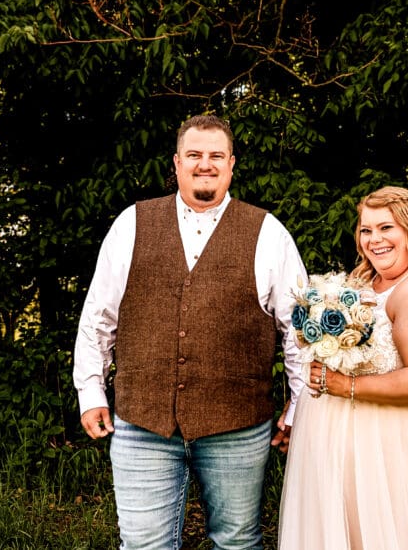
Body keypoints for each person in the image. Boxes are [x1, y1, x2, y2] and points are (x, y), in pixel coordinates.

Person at [73, 114, 307, 550]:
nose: (206, 163)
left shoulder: (268, 232)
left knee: (237, 543)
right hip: (142, 423)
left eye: (216, 155)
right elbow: (98, 316)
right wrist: (91, 392)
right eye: (195, 155)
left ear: (232, 164)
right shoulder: (132, 223)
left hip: (238, 425)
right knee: (143, 545)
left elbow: (299, 330)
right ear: (177, 162)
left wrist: (299, 407)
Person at [278, 185, 408, 549]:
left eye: (386, 228)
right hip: (343, 449)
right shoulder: (361, 285)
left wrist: (344, 386)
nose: (374, 239)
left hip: (392, 447)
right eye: (366, 230)